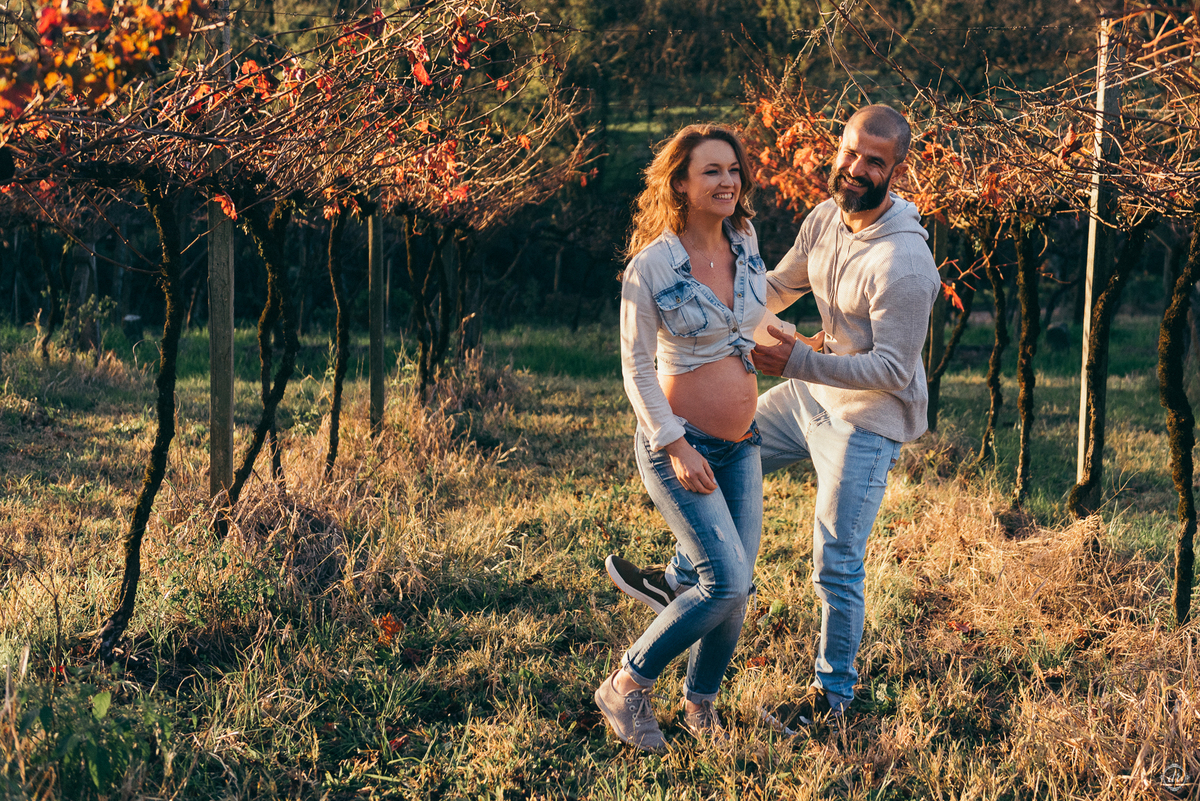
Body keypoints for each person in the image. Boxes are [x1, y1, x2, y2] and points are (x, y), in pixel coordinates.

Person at [606, 104, 940, 732]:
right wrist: (736, 321)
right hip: (808, 398)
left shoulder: (905, 264)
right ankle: (684, 578)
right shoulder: (822, 219)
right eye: (850, 151)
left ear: (897, 168)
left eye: (875, 160)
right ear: (837, 148)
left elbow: (895, 371)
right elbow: (774, 288)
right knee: (730, 473)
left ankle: (832, 697)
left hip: (866, 419)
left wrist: (800, 359)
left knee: (836, 559)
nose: (858, 167)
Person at [596, 123, 822, 753]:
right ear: (680, 184)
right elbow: (636, 367)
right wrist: (675, 444)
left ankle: (701, 709)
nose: (728, 182)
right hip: (681, 446)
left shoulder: (745, 241)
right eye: (712, 171)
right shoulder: (652, 267)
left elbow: (750, 317)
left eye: (733, 170)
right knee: (723, 581)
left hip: (741, 443)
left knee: (737, 588)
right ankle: (626, 684)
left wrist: (808, 346)